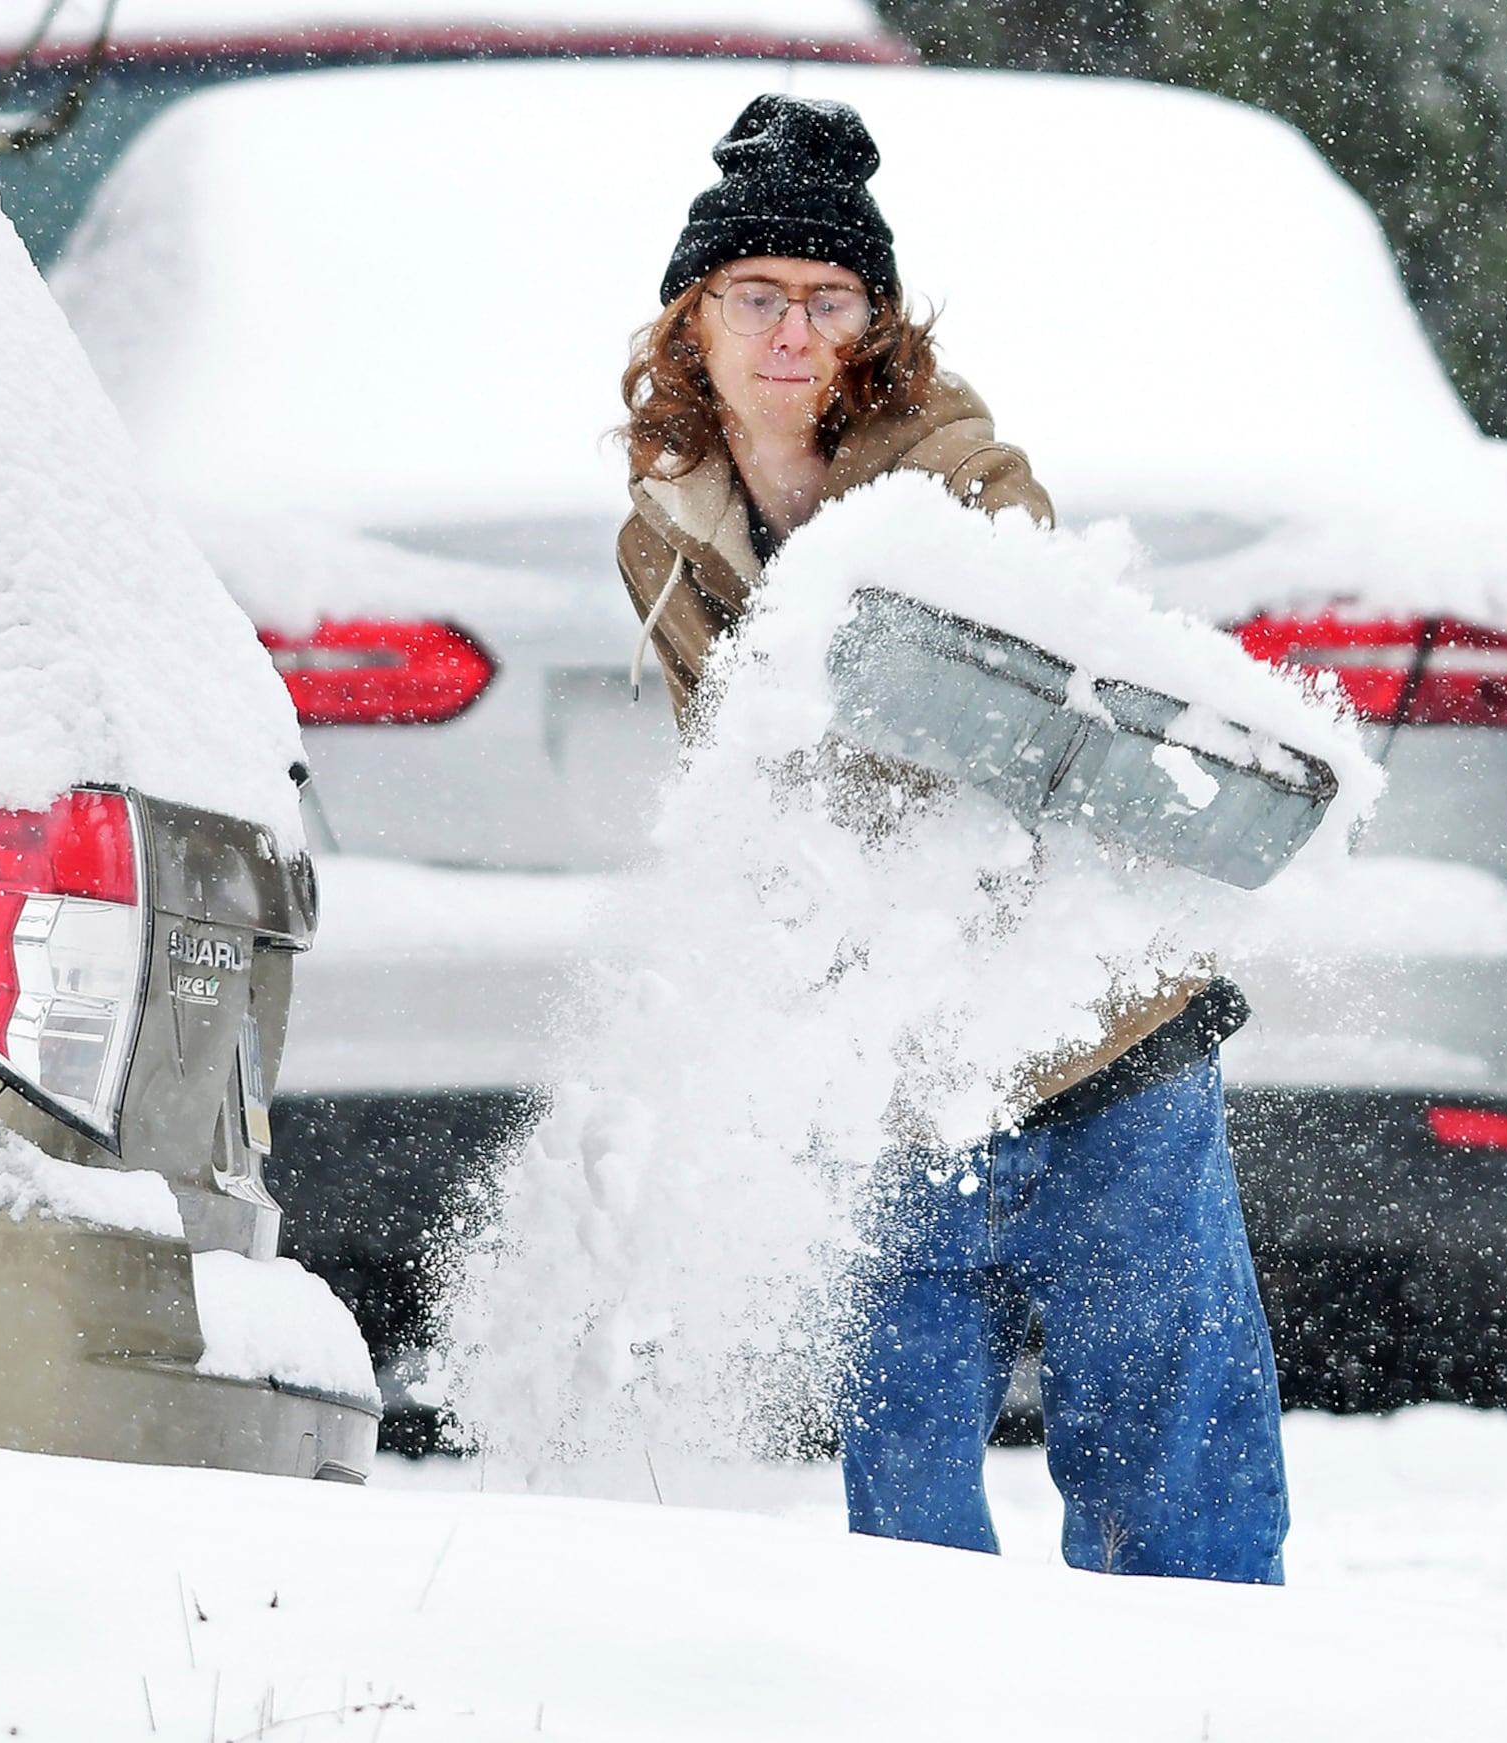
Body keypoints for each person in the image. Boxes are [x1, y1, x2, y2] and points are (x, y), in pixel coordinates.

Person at [615, 93, 1288, 1584]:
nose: (793, 333)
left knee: (1167, 1461)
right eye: (757, 297)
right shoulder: (664, 531)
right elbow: (737, 783)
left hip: (1099, 1026)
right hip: (900, 1057)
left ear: (877, 323)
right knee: (907, 1475)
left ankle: (1214, 1702)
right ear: (694, 321)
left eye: (831, 298)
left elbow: (1029, 746)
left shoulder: (963, 481)